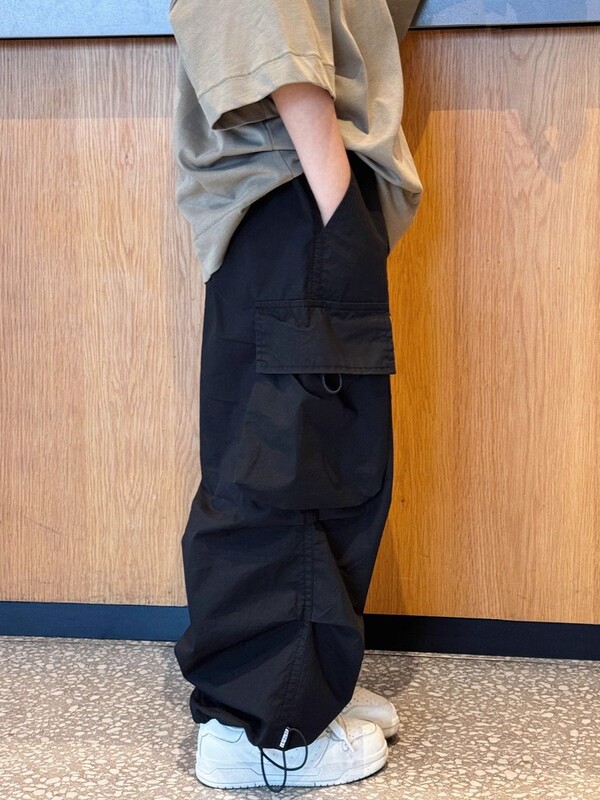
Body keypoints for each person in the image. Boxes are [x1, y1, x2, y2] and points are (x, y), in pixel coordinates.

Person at [168, 0, 423, 791]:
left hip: (292, 198)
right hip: (296, 189)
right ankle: (262, 728)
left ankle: (304, 686)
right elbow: (267, 26)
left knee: (317, 457)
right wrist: (337, 199)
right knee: (291, 467)